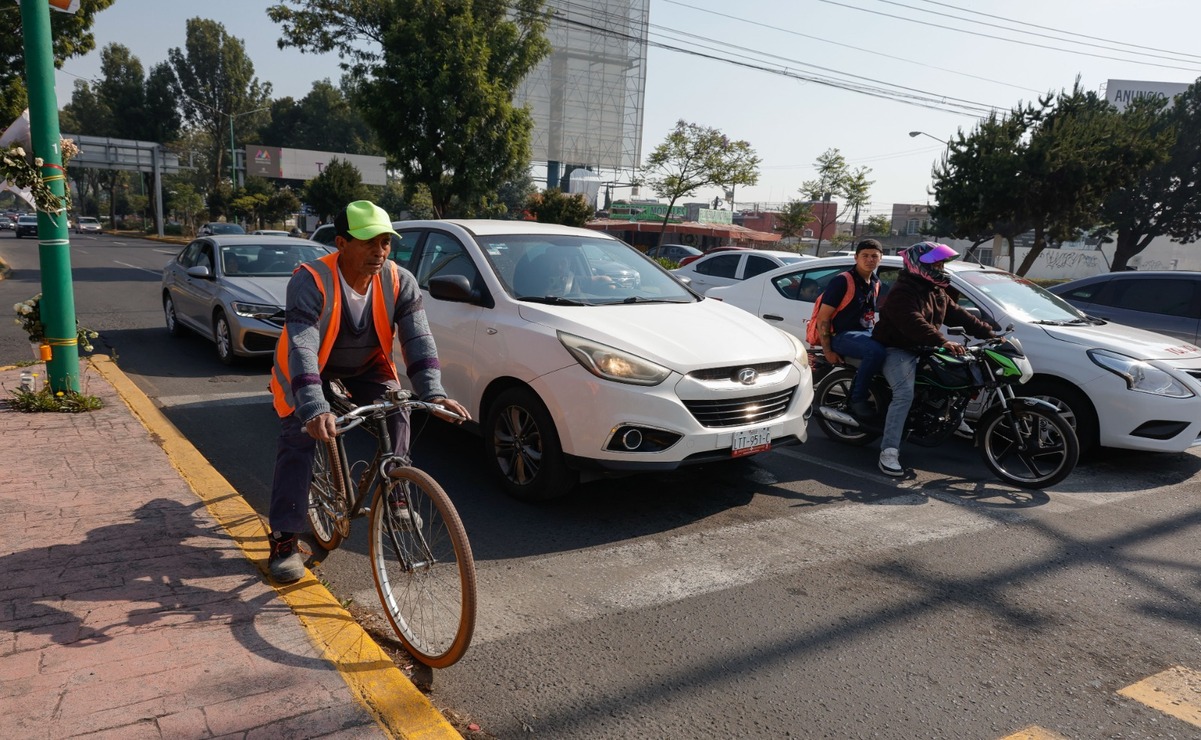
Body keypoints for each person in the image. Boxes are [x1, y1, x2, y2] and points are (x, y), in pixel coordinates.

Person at [265, 200, 469, 583]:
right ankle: (283, 542)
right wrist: (312, 407)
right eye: (369, 242)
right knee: (298, 437)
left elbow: (418, 340)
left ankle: (396, 491)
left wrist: (434, 393)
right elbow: (304, 347)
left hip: (365, 364)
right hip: (308, 368)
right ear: (341, 242)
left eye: (386, 243)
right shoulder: (309, 279)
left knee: (399, 405)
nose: (380, 252)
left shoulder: (399, 280)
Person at [871, 241, 995, 477]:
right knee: (903, 394)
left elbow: (959, 315)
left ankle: (952, 419)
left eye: (941, 263)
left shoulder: (935, 290)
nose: (940, 267)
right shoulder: (903, 291)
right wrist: (942, 341)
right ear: (919, 265)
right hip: (897, 348)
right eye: (936, 263)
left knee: (961, 375)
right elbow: (913, 321)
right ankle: (888, 452)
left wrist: (990, 333)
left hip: (923, 346)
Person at [813, 238, 886, 419]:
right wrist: (827, 350)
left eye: (874, 256)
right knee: (875, 352)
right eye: (865, 256)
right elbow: (823, 318)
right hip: (841, 336)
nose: (870, 259)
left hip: (864, 333)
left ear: (881, 259)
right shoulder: (842, 281)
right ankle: (857, 398)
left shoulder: (876, 283)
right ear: (856, 258)